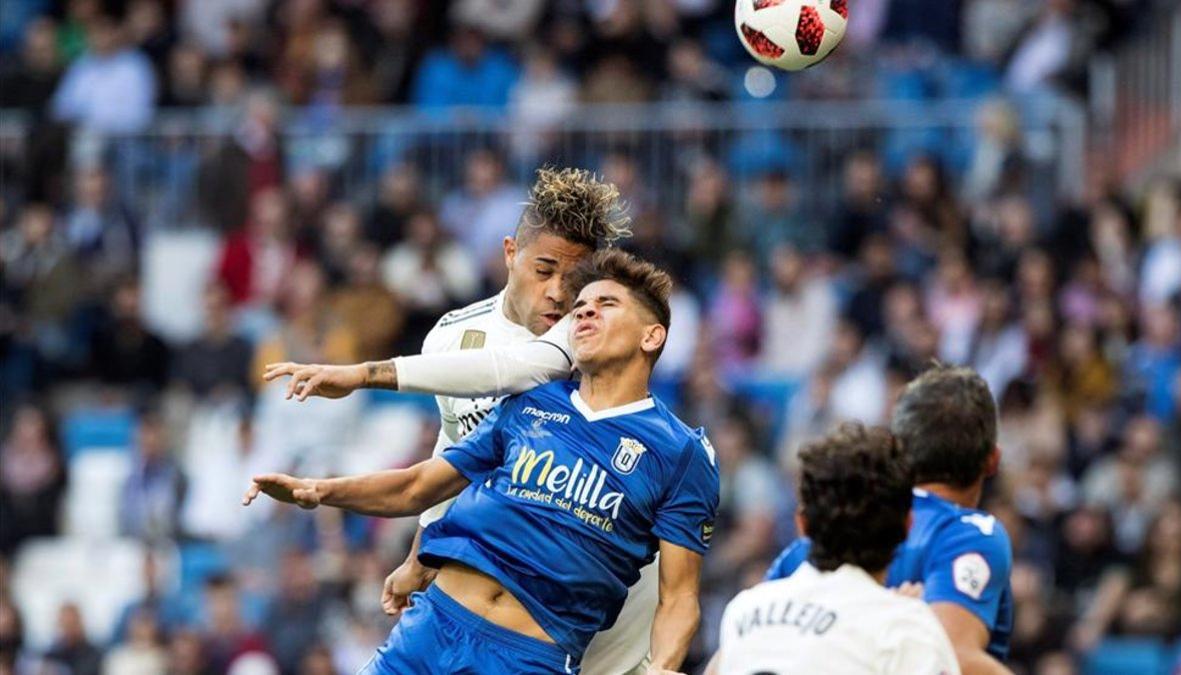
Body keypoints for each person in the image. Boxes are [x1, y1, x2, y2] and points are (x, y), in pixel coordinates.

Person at [264, 166, 666, 674]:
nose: (560, 294)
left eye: (578, 279)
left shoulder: (587, 341)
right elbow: (452, 454)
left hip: (600, 604)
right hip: (494, 610)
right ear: (509, 254)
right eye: (544, 270)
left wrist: (363, 373)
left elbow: (517, 368)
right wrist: (419, 556)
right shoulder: (452, 336)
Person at [763, 366, 1015, 675]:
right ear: (993, 460)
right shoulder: (968, 535)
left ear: (897, 450)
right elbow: (954, 659)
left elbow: (739, 655)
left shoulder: (817, 542)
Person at [709, 422, 960, 675]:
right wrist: (900, 615)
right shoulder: (908, 629)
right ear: (908, 525)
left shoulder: (742, 611)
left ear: (802, 525)